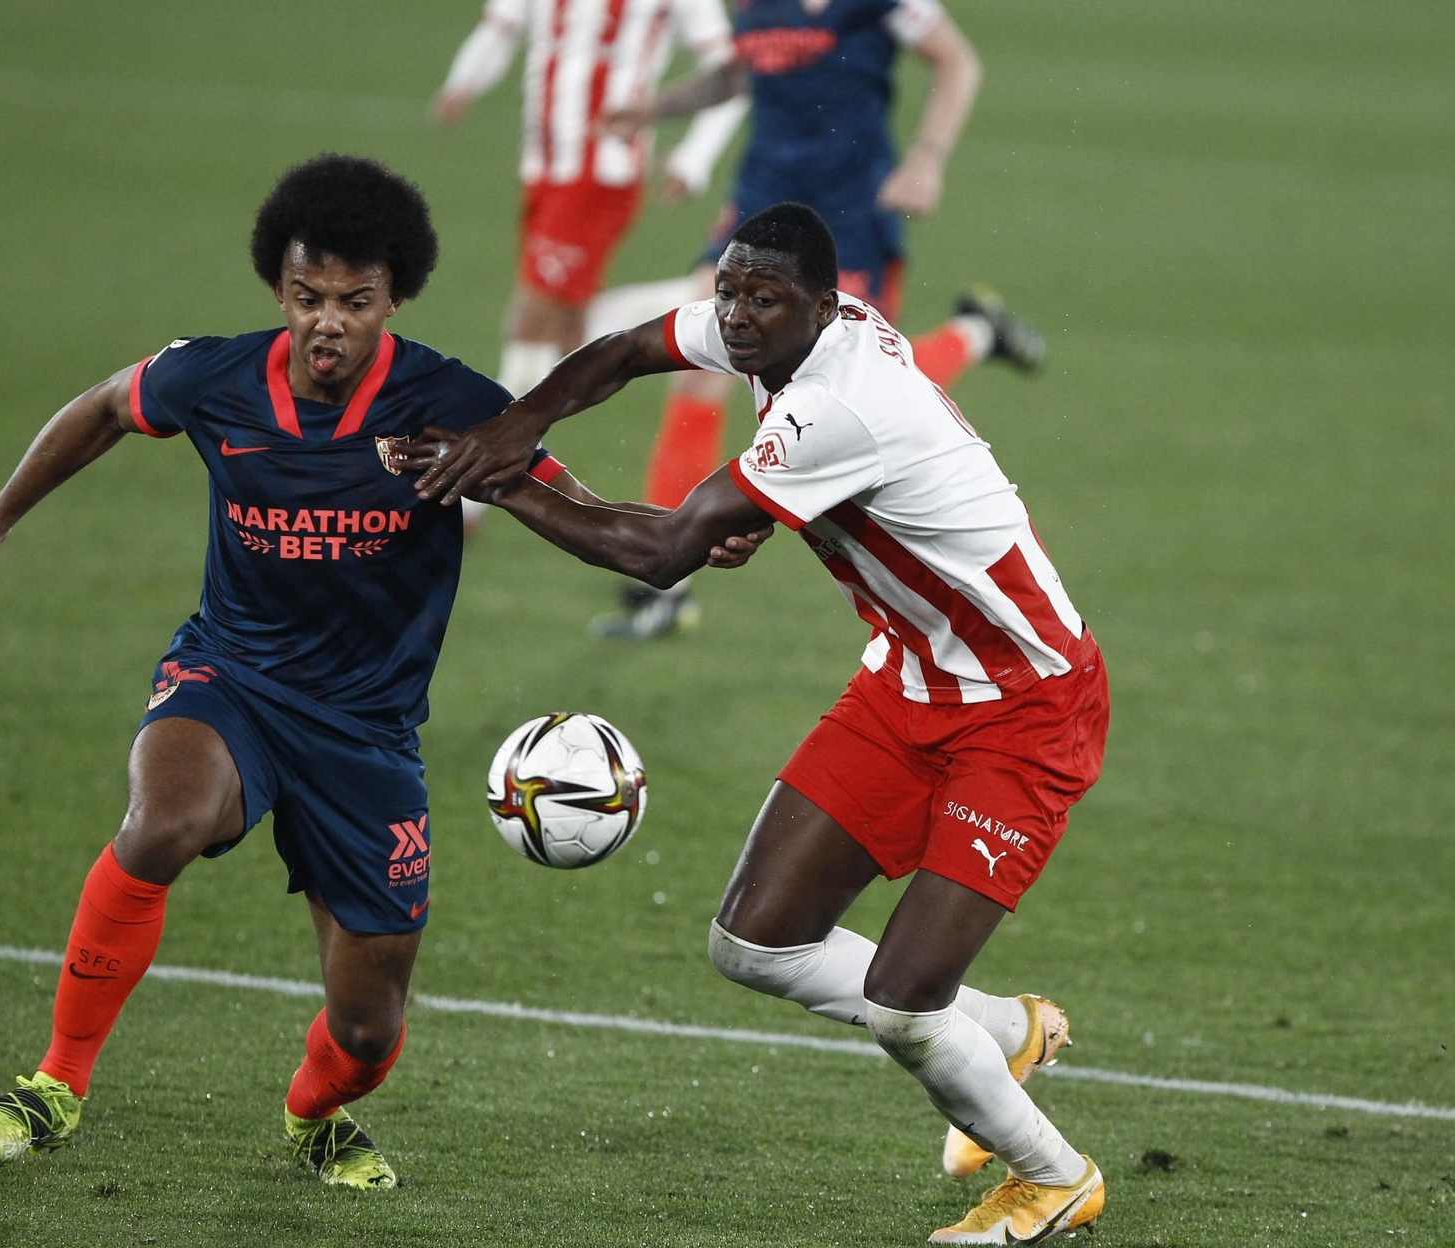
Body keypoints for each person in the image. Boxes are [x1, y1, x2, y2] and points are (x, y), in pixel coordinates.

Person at [0, 152, 767, 1190]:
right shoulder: (214, 378)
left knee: (369, 1031)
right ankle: (55, 1083)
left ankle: (313, 1116)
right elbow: (105, 407)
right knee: (165, 823)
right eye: (307, 297)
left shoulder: (449, 405)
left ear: (394, 298)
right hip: (230, 677)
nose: (329, 322)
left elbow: (582, 513)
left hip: (368, 733)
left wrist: (684, 533)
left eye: (356, 301)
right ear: (278, 289)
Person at [400, 202, 1109, 1243]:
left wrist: (506, 481)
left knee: (906, 999)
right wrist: (522, 421)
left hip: (1025, 706)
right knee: (754, 941)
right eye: (727, 289)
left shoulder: (840, 405)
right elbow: (630, 348)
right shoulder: (778, 325)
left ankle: (1053, 1178)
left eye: (758, 298)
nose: (732, 315)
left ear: (823, 305)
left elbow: (658, 554)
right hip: (908, 679)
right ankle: (1006, 1032)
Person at [590, 0, 1046, 640]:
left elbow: (956, 61)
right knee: (697, 375)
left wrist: (927, 158)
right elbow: (738, 73)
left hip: (851, 218)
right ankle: (668, 584)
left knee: (879, 387)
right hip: (760, 211)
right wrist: (654, 109)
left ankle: (978, 332)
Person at [431, 0, 749, 405]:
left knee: (532, 315)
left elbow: (732, 70)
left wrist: (694, 159)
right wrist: (464, 82)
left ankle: (502, 436)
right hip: (541, 168)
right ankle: (695, 302)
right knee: (567, 331)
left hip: (601, 173)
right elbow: (502, 26)